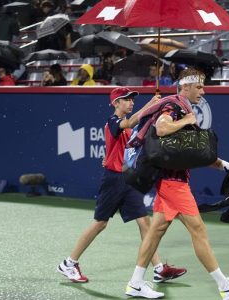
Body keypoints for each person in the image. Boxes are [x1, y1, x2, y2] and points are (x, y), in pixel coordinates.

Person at [125, 68, 229, 299]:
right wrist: (187, 119)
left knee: (156, 231)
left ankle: (135, 284)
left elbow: (194, 154)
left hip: (168, 182)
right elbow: (162, 127)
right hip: (173, 184)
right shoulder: (176, 106)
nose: (203, 92)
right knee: (199, 230)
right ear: (185, 86)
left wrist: (227, 166)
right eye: (199, 87)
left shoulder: (181, 106)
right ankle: (225, 287)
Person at [57, 87, 187, 284]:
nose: (131, 102)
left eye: (132, 99)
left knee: (145, 223)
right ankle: (69, 263)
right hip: (113, 180)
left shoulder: (127, 127)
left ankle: (158, 269)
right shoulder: (114, 121)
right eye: (126, 99)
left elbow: (131, 128)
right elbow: (130, 121)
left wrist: (153, 104)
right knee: (100, 223)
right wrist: (153, 106)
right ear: (115, 103)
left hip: (128, 180)